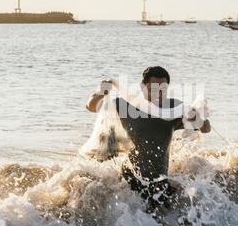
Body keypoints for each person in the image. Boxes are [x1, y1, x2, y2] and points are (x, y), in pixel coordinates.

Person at [86, 66, 211, 213]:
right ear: (143, 87)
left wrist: (197, 117)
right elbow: (91, 106)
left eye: (162, 90)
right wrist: (102, 92)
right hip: (129, 179)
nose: (158, 94)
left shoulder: (174, 109)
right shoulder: (126, 106)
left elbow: (206, 128)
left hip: (159, 181)